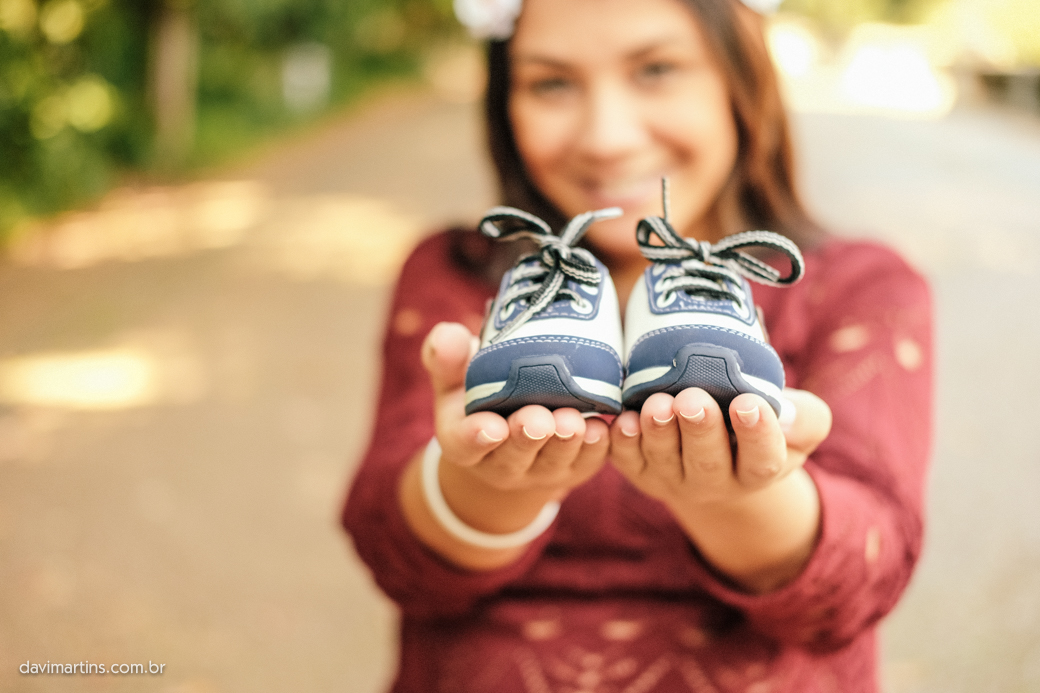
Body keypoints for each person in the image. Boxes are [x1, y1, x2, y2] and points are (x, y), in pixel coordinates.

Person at [343, 0, 933, 690]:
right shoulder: (449, 274)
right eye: (551, 82)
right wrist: (482, 487)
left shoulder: (861, 288)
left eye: (656, 69)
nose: (606, 138)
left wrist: (737, 498)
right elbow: (391, 553)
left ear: (742, 74)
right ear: (505, 99)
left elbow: (865, 577)